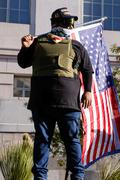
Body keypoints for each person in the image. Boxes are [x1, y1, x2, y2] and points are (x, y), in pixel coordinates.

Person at [17, 7, 93, 180]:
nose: (69, 26)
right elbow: (23, 63)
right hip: (44, 103)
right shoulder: (37, 43)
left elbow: (88, 70)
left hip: (68, 103)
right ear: (56, 23)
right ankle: (41, 177)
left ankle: (77, 176)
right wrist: (24, 47)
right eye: (67, 22)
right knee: (44, 141)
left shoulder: (76, 45)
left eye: (70, 22)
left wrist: (88, 91)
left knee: (72, 141)